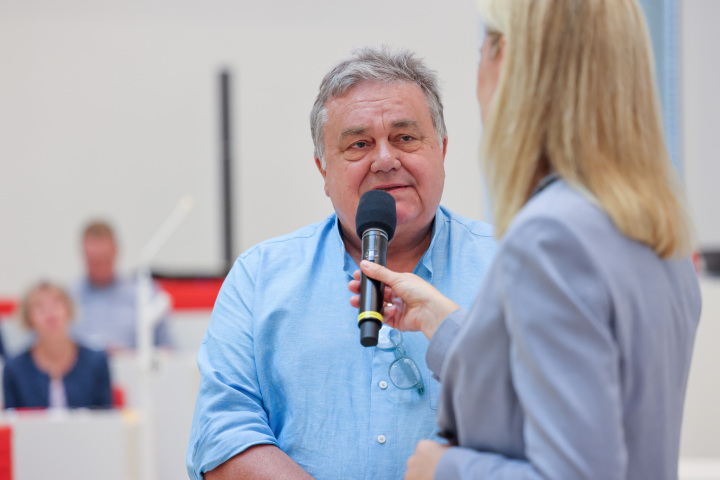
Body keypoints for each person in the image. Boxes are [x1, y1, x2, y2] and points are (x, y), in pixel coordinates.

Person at [350, 1, 702, 479]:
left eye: (482, 52)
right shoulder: (657, 234)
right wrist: (445, 324)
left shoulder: (551, 237)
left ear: (510, 61)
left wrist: (445, 470)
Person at [187, 47, 498, 480]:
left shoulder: (510, 266)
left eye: (406, 138)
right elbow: (223, 435)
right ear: (323, 169)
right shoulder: (260, 277)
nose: (386, 160)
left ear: (442, 149)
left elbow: (560, 425)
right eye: (359, 144)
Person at [3, 281, 113, 409]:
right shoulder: (14, 368)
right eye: (39, 307)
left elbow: (106, 419)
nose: (50, 312)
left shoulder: (96, 362)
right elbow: (13, 421)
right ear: (28, 318)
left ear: (69, 310)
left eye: (57, 303)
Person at [71, 221, 172, 351]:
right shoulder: (68, 297)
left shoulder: (143, 292)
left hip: (133, 367)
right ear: (83, 254)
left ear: (116, 251)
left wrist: (130, 357)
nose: (100, 267)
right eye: (94, 261)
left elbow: (167, 349)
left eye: (104, 259)